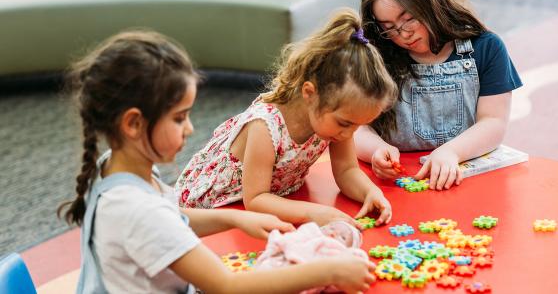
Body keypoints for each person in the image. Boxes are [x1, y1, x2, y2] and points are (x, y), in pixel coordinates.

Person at [57, 30, 376, 294]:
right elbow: (227, 285)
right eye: (179, 118)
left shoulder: (115, 167)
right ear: (133, 124)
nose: (191, 129)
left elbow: (172, 217)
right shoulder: (138, 210)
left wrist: (234, 220)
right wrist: (328, 271)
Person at [175, 9, 397, 228]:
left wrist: (371, 192)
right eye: (346, 124)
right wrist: (313, 213)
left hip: (269, 200)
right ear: (310, 94)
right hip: (214, 208)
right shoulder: (265, 125)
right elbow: (255, 199)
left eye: (357, 126)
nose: (349, 134)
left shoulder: (335, 118)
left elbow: (347, 170)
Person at [355, 0, 523, 190]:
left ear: (431, 0)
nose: (404, 34)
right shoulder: (374, 54)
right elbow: (356, 128)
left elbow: (493, 122)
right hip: (396, 184)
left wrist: (452, 151)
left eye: (409, 19)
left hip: (466, 179)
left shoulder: (485, 48)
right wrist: (375, 150)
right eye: (389, 28)